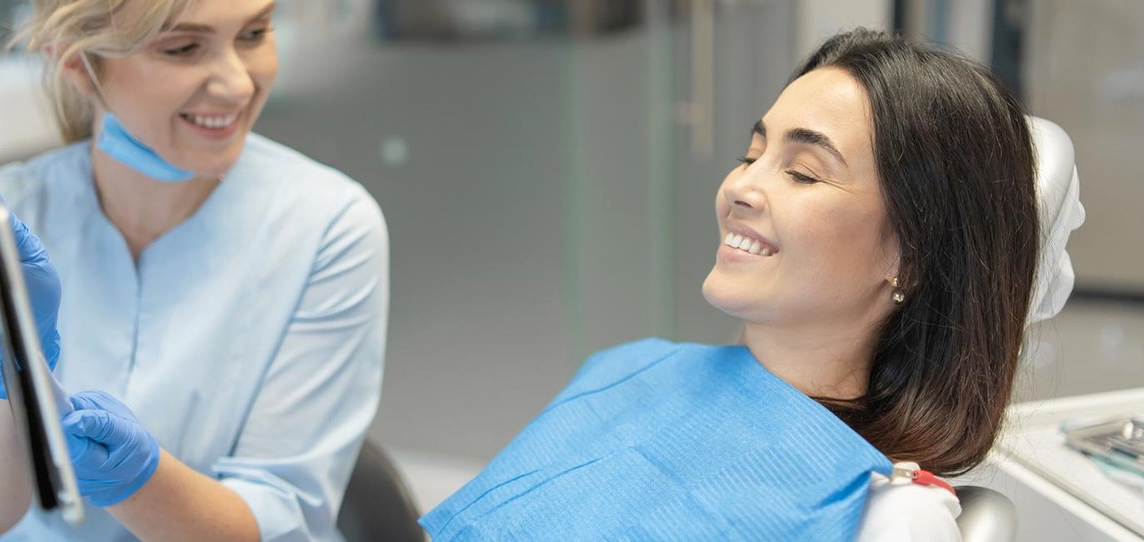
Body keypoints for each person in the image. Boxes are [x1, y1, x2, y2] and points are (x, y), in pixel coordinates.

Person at [420, 28, 1082, 541]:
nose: (740, 186)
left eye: (802, 171)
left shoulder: (883, 514)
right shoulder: (629, 370)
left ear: (911, 255)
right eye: (751, 153)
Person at [0, 0, 389, 540]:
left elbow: (278, 517)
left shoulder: (327, 225)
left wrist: (139, 480)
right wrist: (0, 367)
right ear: (77, 66)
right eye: (183, 47)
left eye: (253, 34)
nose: (238, 85)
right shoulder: (7, 217)